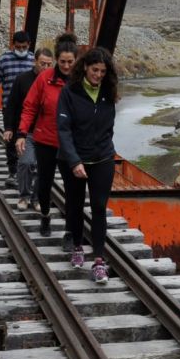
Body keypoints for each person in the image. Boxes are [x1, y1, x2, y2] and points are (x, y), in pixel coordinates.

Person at [56, 46, 119, 283]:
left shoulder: (108, 92)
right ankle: (78, 247)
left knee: (99, 207)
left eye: (103, 71)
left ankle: (99, 261)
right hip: (73, 159)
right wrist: (74, 161)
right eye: (95, 70)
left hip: (102, 158)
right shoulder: (69, 92)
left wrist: (104, 150)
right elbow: (63, 130)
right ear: (84, 67)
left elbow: (108, 127)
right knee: (74, 205)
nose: (99, 75)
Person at [15, 34, 79, 237]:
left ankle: (70, 231)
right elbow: (30, 107)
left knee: (73, 188)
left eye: (70, 62)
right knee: (44, 183)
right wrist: (22, 133)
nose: (67, 66)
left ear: (76, 60)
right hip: (46, 140)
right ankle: (45, 215)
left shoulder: (80, 81)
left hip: (71, 143)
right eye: (63, 62)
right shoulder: (45, 78)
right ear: (56, 60)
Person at [4, 47, 54, 210]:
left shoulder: (54, 82)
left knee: (42, 167)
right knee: (25, 163)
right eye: (42, 64)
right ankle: (24, 196)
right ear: (34, 62)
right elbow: (11, 105)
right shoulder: (22, 80)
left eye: (49, 64)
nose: (45, 68)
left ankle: (37, 198)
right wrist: (10, 128)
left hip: (46, 132)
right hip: (28, 132)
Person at [0, 30, 34, 188]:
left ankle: (27, 170)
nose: (21, 50)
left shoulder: (33, 60)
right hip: (9, 108)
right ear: (13, 45)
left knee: (29, 139)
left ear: (29, 45)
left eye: (24, 47)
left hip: (30, 109)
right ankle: (13, 172)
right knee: (11, 141)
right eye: (18, 47)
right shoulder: (4, 59)